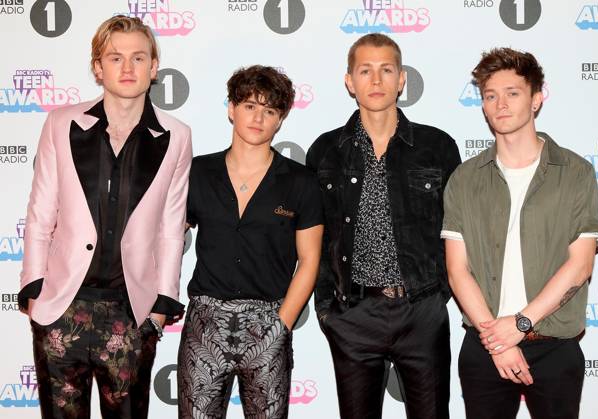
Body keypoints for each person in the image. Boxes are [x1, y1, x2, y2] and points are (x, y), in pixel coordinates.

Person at [18, 15, 192, 418]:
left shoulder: (176, 135)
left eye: (138, 58)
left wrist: (163, 300)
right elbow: (41, 209)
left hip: (132, 310)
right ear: (98, 66)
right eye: (115, 58)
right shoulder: (62, 123)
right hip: (61, 306)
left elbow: (171, 224)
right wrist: (33, 284)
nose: (127, 68)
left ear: (154, 67)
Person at [442, 47, 598, 419]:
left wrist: (519, 324)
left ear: (536, 98)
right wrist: (498, 341)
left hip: (555, 348)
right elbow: (457, 271)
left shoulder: (576, 173)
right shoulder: (464, 179)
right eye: (490, 95)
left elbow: (580, 267)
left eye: (513, 93)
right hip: (484, 346)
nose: (500, 104)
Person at [306, 33, 461, 419]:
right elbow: (315, 237)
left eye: (386, 70)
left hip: (421, 310)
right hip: (353, 314)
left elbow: (459, 231)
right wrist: (329, 308)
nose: (376, 81)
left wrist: (436, 295)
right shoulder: (325, 150)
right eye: (365, 70)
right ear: (349, 81)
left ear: (402, 78)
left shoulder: (436, 146)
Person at [178, 65, 323, 419]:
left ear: (280, 120)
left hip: (269, 321)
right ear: (231, 109)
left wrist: (282, 324)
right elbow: (168, 240)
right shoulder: (197, 172)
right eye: (249, 106)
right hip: (204, 323)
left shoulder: (300, 182)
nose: (258, 117)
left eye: (269, 110)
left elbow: (309, 260)